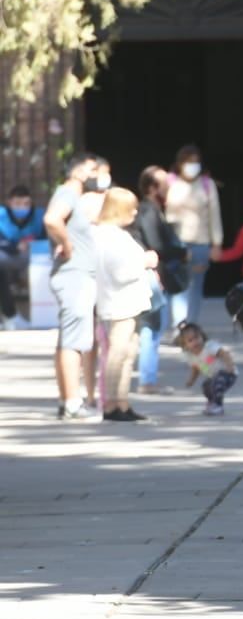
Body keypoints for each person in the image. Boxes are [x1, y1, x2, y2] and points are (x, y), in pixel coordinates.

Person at [45, 153, 106, 420]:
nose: (97, 175)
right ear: (80, 172)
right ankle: (72, 402)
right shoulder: (68, 192)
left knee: (68, 341)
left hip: (75, 275)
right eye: (93, 170)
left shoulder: (72, 196)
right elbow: (51, 219)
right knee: (74, 342)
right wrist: (67, 245)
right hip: (75, 275)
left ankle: (66, 400)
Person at [90, 188, 158, 423]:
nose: (135, 212)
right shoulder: (108, 236)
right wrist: (145, 261)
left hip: (128, 301)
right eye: (131, 208)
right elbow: (120, 272)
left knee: (128, 353)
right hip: (119, 302)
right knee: (117, 354)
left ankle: (122, 402)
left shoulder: (113, 234)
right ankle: (111, 405)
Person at [130, 166, 184, 393]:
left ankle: (148, 377)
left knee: (153, 327)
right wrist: (180, 252)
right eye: (163, 183)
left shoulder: (155, 209)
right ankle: (147, 379)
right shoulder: (148, 211)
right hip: (152, 275)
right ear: (152, 187)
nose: (168, 186)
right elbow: (157, 246)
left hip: (155, 273)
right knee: (151, 327)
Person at [165, 145, 223, 328]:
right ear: (180, 164)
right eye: (189, 162)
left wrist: (217, 243)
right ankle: (179, 326)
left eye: (196, 162)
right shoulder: (170, 182)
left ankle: (191, 326)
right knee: (177, 285)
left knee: (195, 286)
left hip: (201, 242)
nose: (193, 166)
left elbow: (215, 214)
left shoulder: (207, 184)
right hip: (177, 242)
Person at [0, 184, 44, 329]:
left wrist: (32, 245)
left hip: (36, 258)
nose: (22, 207)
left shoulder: (40, 216)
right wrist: (14, 247)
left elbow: (46, 239)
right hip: (8, 257)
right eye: (17, 204)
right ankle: (10, 315)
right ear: (9, 203)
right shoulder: (1, 215)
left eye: (26, 203)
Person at [178, 321, 238, 416]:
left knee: (217, 383)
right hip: (214, 376)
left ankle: (218, 405)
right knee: (206, 386)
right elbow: (196, 369)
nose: (195, 342)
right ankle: (212, 402)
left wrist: (230, 367)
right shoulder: (191, 356)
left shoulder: (209, 347)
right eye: (190, 340)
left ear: (202, 336)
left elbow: (224, 353)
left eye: (197, 337)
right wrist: (191, 381)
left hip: (227, 373)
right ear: (185, 345)